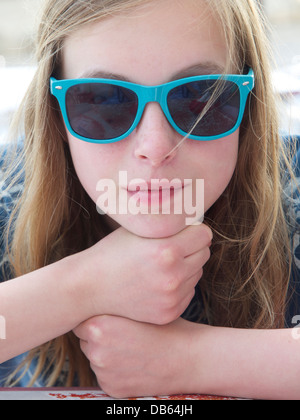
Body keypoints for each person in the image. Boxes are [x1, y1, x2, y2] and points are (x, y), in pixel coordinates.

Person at [0, 0, 300, 399]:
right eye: (103, 100)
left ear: (250, 103)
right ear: (55, 115)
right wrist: (82, 286)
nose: (155, 147)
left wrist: (191, 359)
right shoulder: (9, 195)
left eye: (199, 97)